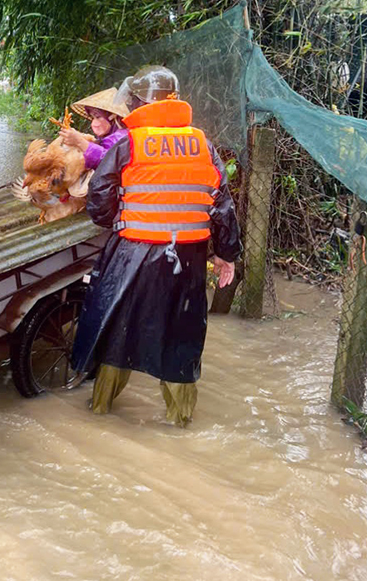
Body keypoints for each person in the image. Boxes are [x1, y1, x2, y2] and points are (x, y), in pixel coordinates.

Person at [70, 66, 241, 426]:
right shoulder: (203, 145)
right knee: (180, 341)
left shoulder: (131, 143)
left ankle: (99, 411)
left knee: (119, 332)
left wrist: (118, 220)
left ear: (138, 102)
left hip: (132, 257)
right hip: (188, 262)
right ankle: (181, 423)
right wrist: (227, 254)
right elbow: (222, 206)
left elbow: (99, 197)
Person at [59, 87, 129, 170]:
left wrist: (79, 141)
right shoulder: (109, 136)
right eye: (92, 118)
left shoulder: (122, 137)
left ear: (113, 117)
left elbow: (107, 162)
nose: (94, 123)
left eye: (98, 117)